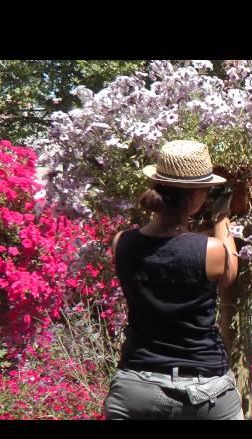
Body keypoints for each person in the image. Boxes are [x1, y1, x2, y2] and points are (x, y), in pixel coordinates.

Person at [103, 140, 242, 420]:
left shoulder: (122, 243)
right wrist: (221, 216)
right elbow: (229, 272)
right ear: (195, 197)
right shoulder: (211, 251)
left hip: (135, 387)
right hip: (205, 391)